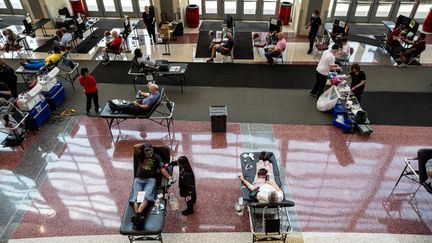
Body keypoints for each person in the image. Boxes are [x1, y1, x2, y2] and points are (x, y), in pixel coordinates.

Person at [129, 144, 174, 225]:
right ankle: (137, 215)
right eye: (146, 150)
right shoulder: (140, 155)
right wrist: (144, 145)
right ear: (143, 151)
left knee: (146, 197)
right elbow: (135, 147)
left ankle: (137, 214)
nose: (148, 152)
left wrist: (169, 177)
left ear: (152, 149)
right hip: (138, 179)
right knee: (136, 198)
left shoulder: (157, 157)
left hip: (150, 180)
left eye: (149, 150)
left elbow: (162, 169)